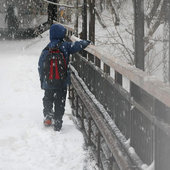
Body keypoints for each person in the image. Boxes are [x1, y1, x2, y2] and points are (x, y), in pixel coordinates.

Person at [38, 24, 90, 131]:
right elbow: (77, 45)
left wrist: (42, 81)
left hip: (49, 82)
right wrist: (86, 42)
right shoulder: (65, 46)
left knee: (48, 99)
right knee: (60, 101)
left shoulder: (46, 49)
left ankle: (48, 116)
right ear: (62, 34)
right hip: (61, 81)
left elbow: (40, 66)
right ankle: (58, 121)